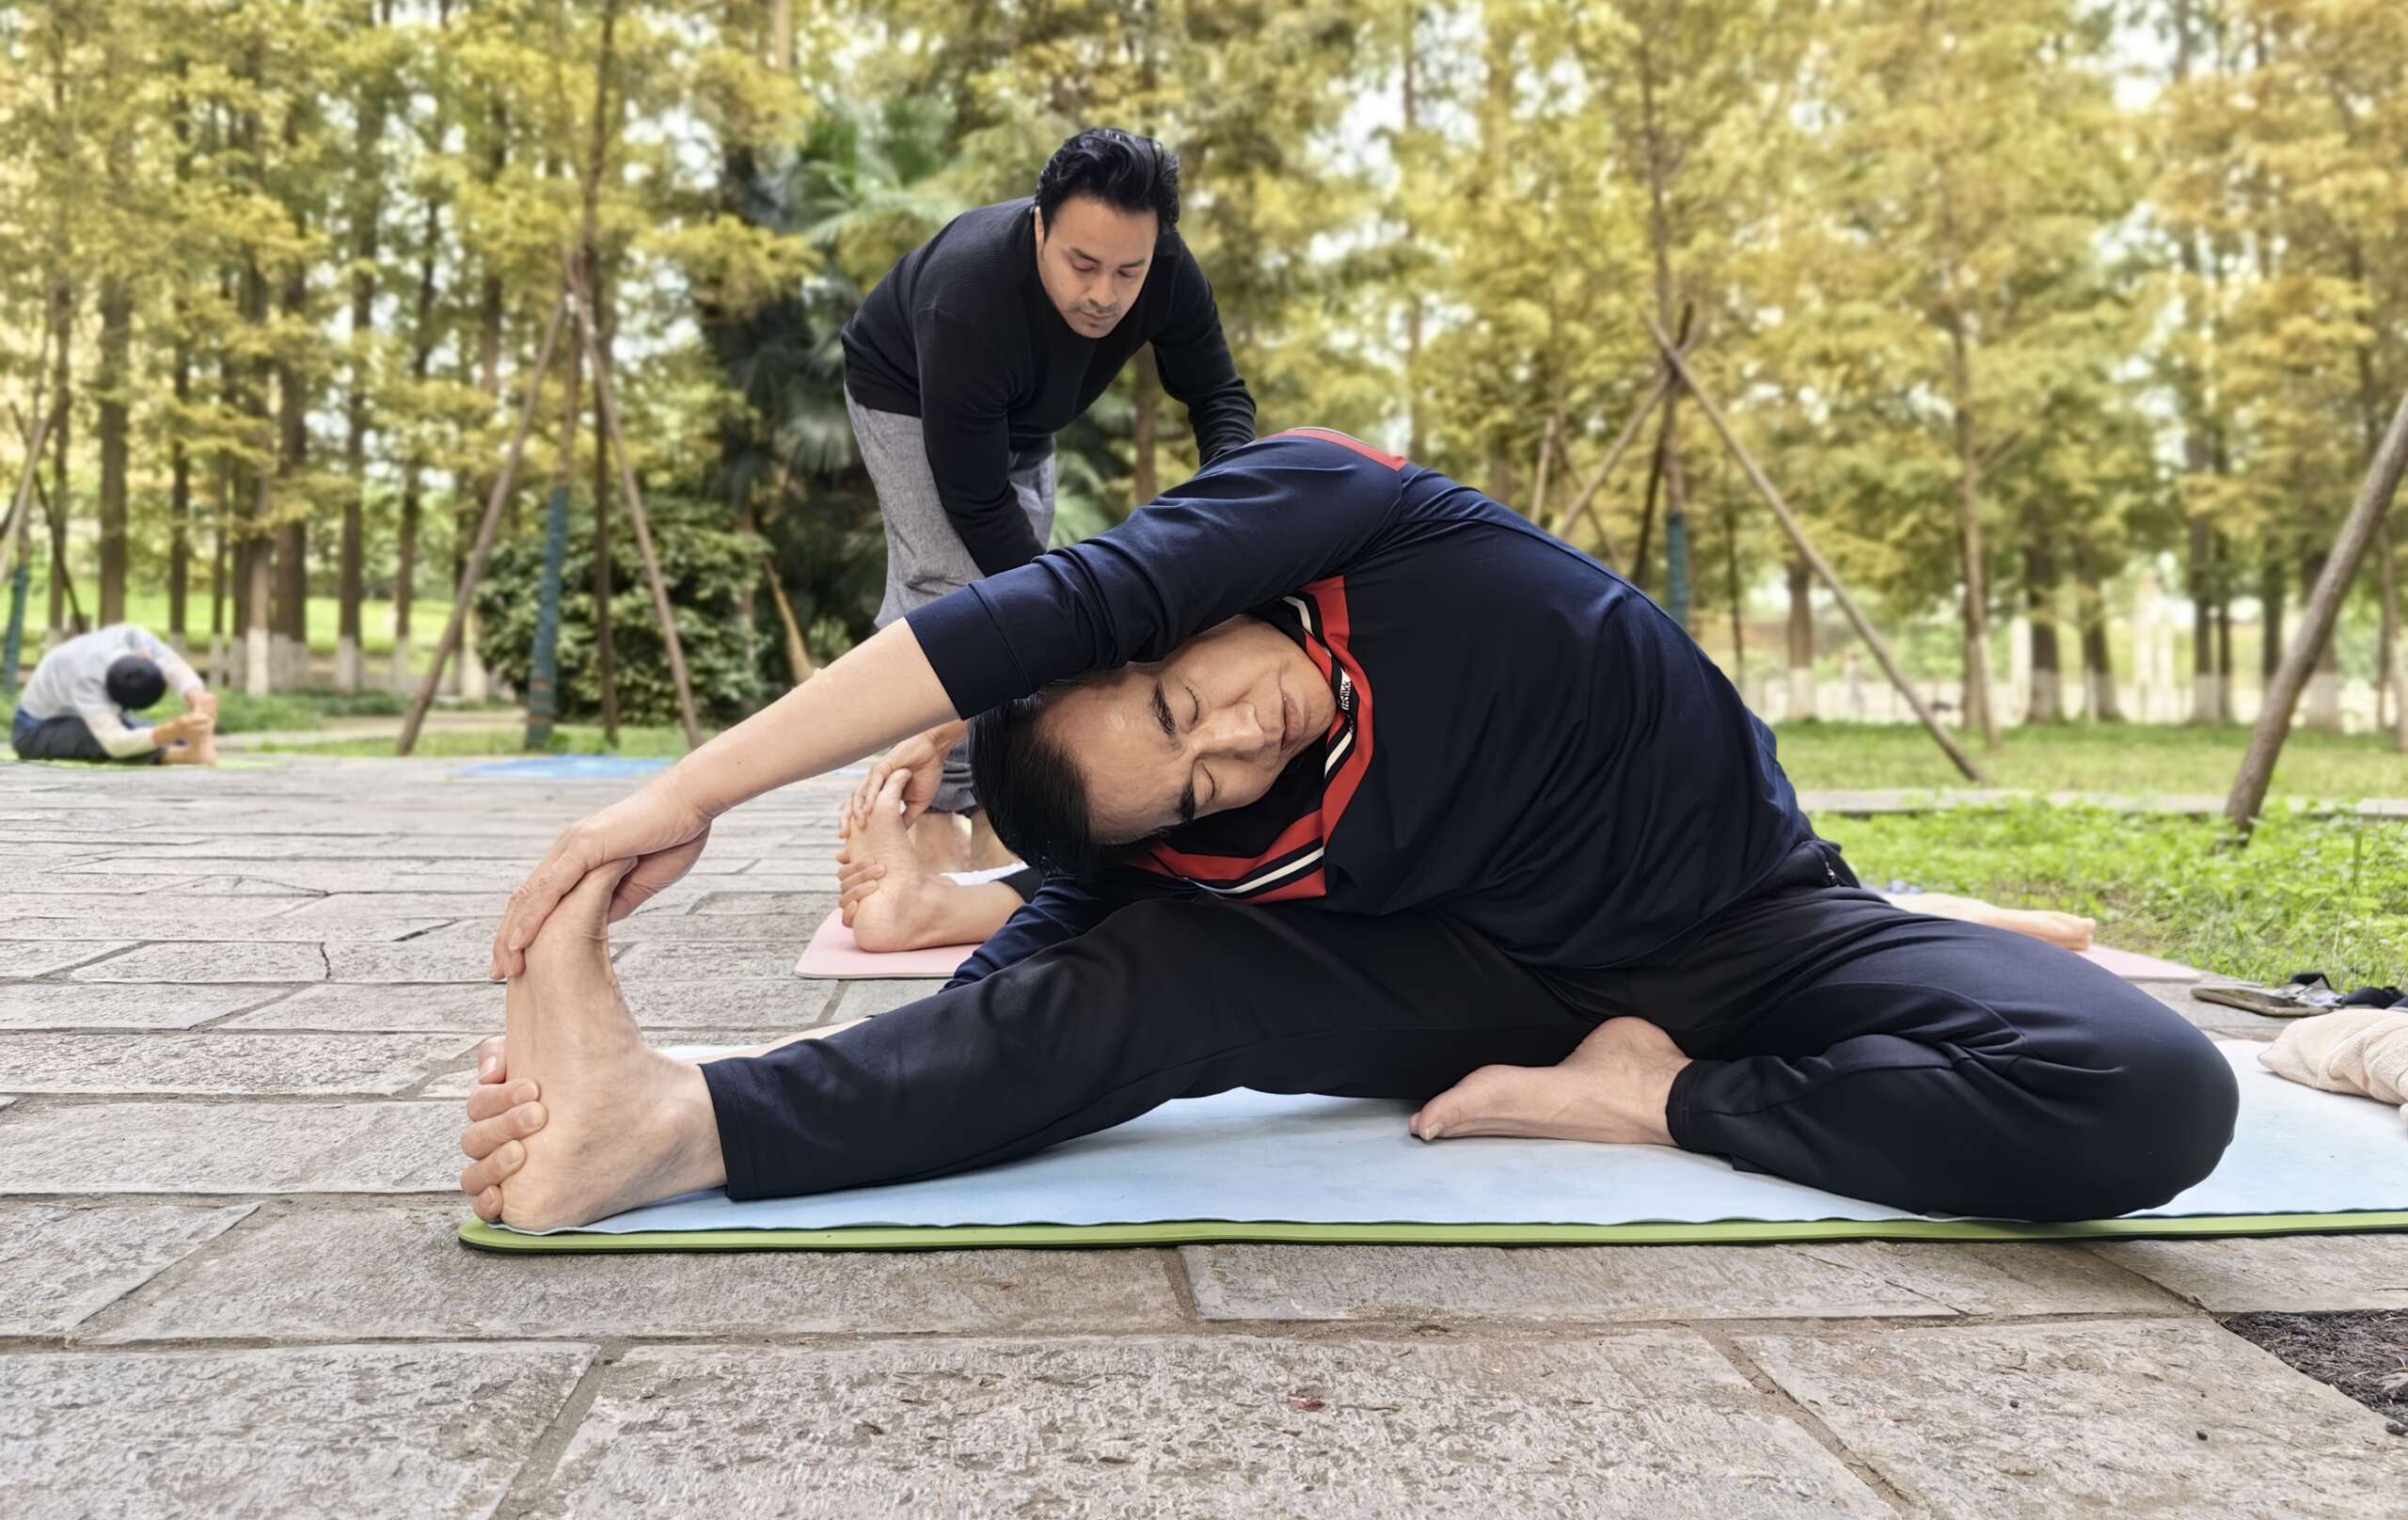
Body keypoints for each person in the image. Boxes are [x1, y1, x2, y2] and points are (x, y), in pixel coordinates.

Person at [459, 431, 2238, 1233]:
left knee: (2153, 1092)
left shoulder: (1356, 520)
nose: (1236, 746)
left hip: (1758, 926)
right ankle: (663, 1132)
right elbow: (1038, 1000)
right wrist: (712, 1091)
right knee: (1143, 978)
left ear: (1174, 620)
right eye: (1196, 788)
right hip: (1488, 985)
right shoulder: (1182, 835)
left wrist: (692, 789)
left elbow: (1043, 606)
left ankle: (1651, 1095)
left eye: (1183, 707)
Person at [836, 127, 1255, 895]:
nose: (1105, 294)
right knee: (951, 584)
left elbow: (1218, 398)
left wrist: (1238, 508)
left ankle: (997, 801)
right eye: (1082, 264)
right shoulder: (968, 297)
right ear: (1039, 227)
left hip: (1025, 416)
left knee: (1016, 603)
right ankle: (938, 813)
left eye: (1128, 271)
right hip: (908, 392)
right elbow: (976, 503)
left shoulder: (1168, 268)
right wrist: (1079, 618)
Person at [11, 623, 218, 766]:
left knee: (161, 734)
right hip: (34, 730)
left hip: (76, 716)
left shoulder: (131, 637)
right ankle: (180, 755)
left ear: (145, 657)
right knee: (105, 741)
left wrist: (197, 698)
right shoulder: (87, 681)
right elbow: (115, 742)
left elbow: (170, 663)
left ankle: (182, 746)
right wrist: (168, 731)